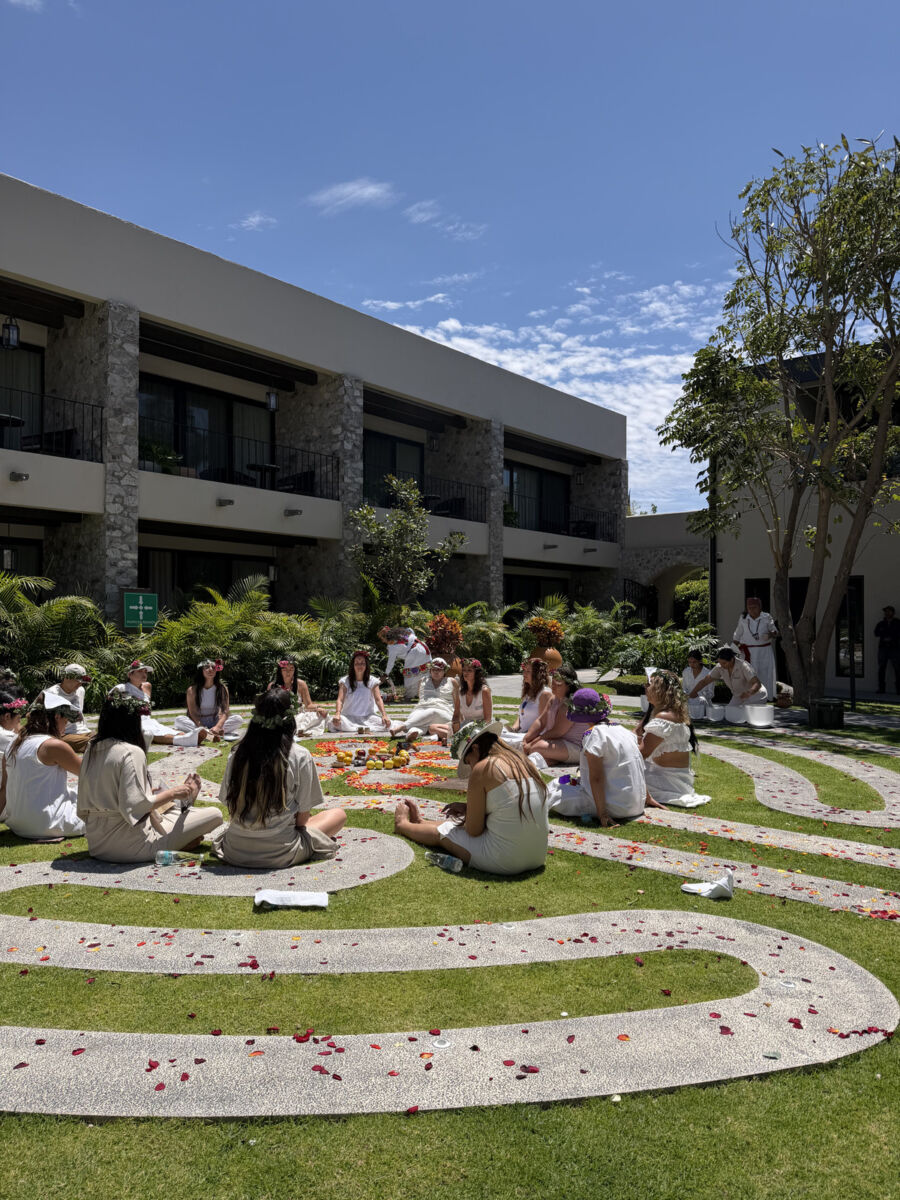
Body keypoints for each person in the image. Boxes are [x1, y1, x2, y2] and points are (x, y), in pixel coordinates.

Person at [77, 691, 223, 861]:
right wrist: (173, 792)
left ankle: (180, 808)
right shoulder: (130, 752)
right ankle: (182, 822)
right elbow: (136, 806)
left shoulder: (91, 749)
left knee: (168, 809)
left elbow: (89, 803)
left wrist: (151, 793)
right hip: (133, 847)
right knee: (215, 814)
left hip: (97, 845)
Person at [393, 719, 549, 875]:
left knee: (446, 831)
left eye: (469, 762)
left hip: (505, 859)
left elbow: (474, 831)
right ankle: (421, 823)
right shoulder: (523, 760)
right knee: (453, 826)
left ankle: (403, 825)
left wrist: (471, 813)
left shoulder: (483, 767)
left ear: (475, 748)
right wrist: (470, 809)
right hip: (537, 856)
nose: (471, 767)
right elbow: (508, 806)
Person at [212, 688, 346, 868]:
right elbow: (302, 821)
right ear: (290, 719)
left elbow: (228, 803)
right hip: (280, 852)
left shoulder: (237, 754)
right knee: (338, 814)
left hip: (235, 849)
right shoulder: (299, 755)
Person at [548, 689, 646, 825]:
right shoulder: (625, 732)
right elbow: (639, 768)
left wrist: (602, 813)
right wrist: (647, 798)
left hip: (614, 806)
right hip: (636, 805)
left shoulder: (594, 735)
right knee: (560, 782)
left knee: (553, 793)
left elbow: (596, 778)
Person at [1, 691, 85, 840]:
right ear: (57, 717)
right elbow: (89, 772)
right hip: (49, 824)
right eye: (66, 720)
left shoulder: (13, 744)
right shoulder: (52, 745)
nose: (65, 726)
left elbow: (4, 790)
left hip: (19, 826)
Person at [635, 671, 710, 808]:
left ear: (659, 690)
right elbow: (638, 734)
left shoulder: (664, 717)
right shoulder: (673, 713)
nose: (645, 687)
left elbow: (641, 754)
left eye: (648, 684)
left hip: (665, 781)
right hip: (678, 780)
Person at [113, 662, 206, 747]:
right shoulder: (121, 688)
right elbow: (110, 709)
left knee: (162, 729)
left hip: (147, 720)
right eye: (140, 671)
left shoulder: (147, 686)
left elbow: (147, 709)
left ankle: (187, 736)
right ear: (130, 674)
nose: (144, 674)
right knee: (150, 731)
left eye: (145, 671)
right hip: (131, 722)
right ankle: (183, 740)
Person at [522, 663, 584, 765]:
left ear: (569, 686)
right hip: (559, 742)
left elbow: (557, 732)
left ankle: (553, 758)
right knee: (527, 744)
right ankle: (552, 758)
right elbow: (541, 721)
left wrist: (532, 743)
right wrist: (526, 738)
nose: (553, 687)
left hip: (575, 746)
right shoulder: (553, 699)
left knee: (536, 747)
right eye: (553, 682)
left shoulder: (570, 703)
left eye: (558, 684)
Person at [174, 659, 244, 743]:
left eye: (213, 667)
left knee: (238, 719)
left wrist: (218, 726)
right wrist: (202, 727)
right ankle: (208, 733)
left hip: (216, 720)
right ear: (201, 670)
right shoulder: (192, 690)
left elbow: (225, 711)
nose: (210, 669)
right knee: (179, 720)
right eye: (207, 667)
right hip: (198, 722)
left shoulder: (222, 688)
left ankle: (207, 733)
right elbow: (192, 713)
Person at [330, 650, 392, 733]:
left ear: (366, 665)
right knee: (333, 723)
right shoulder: (345, 681)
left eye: (362, 663)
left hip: (368, 717)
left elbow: (378, 700)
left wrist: (384, 715)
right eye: (357, 663)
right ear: (353, 665)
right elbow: (340, 700)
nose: (360, 666)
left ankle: (357, 728)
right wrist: (337, 714)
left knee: (387, 723)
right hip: (348, 717)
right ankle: (361, 728)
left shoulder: (373, 681)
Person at [397, 658, 457, 741]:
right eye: (434, 669)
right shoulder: (422, 681)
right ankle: (412, 733)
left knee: (433, 712)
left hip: (444, 712)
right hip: (422, 711)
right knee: (423, 721)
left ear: (444, 671)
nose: (436, 672)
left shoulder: (451, 681)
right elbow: (420, 699)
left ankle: (403, 726)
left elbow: (457, 701)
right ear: (430, 670)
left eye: (439, 670)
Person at [687, 647, 767, 707]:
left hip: (756, 695)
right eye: (720, 663)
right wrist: (692, 693)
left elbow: (757, 683)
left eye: (724, 663)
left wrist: (749, 692)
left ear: (732, 660)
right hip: (738, 696)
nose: (721, 665)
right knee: (729, 714)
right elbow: (704, 681)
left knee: (743, 714)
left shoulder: (744, 666)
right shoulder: (720, 666)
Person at [269, 657, 329, 735]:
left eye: (291, 669)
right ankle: (295, 729)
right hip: (280, 716)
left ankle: (296, 729)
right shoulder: (272, 686)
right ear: (280, 671)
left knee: (318, 715)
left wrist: (318, 708)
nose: (288, 672)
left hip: (299, 716)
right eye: (285, 669)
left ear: (295, 670)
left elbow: (308, 705)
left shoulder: (301, 684)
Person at [501, 658, 552, 748]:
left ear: (537, 674)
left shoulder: (544, 694)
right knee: (497, 733)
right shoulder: (528, 691)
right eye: (524, 670)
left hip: (532, 737)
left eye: (528, 671)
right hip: (521, 733)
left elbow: (543, 725)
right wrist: (513, 729)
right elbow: (521, 716)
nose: (524, 674)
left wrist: (527, 737)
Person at [733, 597, 778, 700]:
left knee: (765, 673)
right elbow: (737, 634)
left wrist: (770, 635)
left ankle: (766, 697)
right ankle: (749, 697)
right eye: (749, 608)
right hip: (748, 652)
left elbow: (775, 631)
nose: (752, 610)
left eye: (754, 607)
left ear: (760, 607)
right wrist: (732, 649)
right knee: (748, 674)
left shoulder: (766, 617)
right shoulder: (743, 618)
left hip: (764, 651)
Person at [44, 663, 94, 753]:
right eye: (77, 681)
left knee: (109, 739)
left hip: (83, 731)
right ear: (66, 678)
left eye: (82, 681)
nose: (80, 684)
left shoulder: (80, 690)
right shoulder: (51, 693)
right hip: (63, 734)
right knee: (95, 744)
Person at [379, 627, 433, 699]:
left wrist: (386, 674)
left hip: (414, 653)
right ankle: (426, 692)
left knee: (410, 677)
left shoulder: (392, 646)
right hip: (423, 648)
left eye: (382, 639)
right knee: (423, 672)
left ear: (386, 638)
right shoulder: (402, 635)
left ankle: (412, 695)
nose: (382, 641)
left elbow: (390, 663)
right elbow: (411, 633)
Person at [449, 658, 493, 736]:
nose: (466, 673)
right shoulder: (460, 691)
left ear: (476, 673)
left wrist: (471, 729)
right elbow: (456, 716)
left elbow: (487, 719)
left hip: (481, 729)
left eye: (469, 670)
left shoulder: (484, 691)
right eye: (464, 670)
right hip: (465, 728)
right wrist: (454, 729)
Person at [875, 605, 900, 694]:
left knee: (897, 668)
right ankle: (881, 689)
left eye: (889, 611)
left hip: (894, 648)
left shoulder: (898, 623)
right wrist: (884, 636)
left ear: (893, 613)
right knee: (881, 668)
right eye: (886, 611)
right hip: (883, 648)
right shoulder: (881, 623)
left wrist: (891, 638)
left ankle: (899, 689)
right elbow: (876, 633)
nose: (887, 613)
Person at [682, 649, 714, 718]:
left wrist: (698, 694)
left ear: (700, 661)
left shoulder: (708, 673)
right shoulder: (686, 672)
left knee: (701, 700)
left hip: (703, 702)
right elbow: (684, 688)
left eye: (694, 662)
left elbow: (711, 694)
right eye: (689, 662)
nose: (691, 664)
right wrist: (685, 694)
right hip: (688, 700)